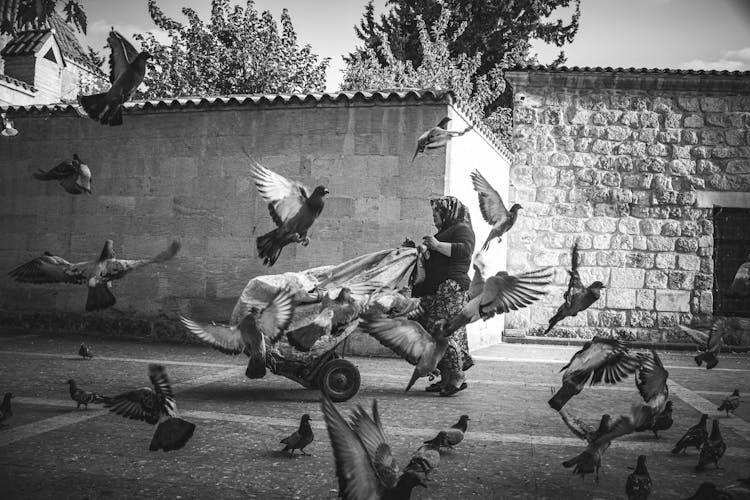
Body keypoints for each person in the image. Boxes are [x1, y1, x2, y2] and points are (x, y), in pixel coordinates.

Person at [412, 196, 476, 396]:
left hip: (452, 288)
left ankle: (457, 377)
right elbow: (436, 263)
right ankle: (446, 378)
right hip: (441, 290)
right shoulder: (444, 232)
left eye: (436, 214)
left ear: (448, 212)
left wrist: (437, 245)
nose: (434, 218)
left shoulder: (462, 229)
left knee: (442, 331)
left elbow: (465, 250)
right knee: (431, 329)